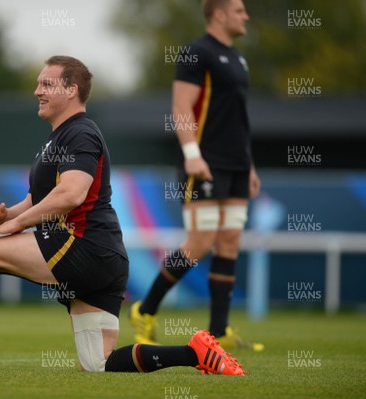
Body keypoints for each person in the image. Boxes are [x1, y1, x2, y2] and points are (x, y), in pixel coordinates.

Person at [0, 55, 244, 375]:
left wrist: (17, 224)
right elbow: (39, 198)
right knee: (98, 363)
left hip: (84, 247)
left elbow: (72, 193)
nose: (37, 91)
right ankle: (195, 352)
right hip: (103, 258)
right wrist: (6, 214)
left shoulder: (80, 132)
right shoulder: (61, 136)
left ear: (71, 90)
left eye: (46, 84)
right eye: (38, 84)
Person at [130, 0, 264, 351]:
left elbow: (237, 120)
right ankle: (145, 310)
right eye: (239, 10)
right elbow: (181, 107)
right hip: (204, 162)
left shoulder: (238, 59)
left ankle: (218, 332)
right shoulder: (196, 52)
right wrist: (191, 154)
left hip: (236, 165)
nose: (246, 15)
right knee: (200, 242)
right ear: (219, 14)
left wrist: (248, 165)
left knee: (230, 241)